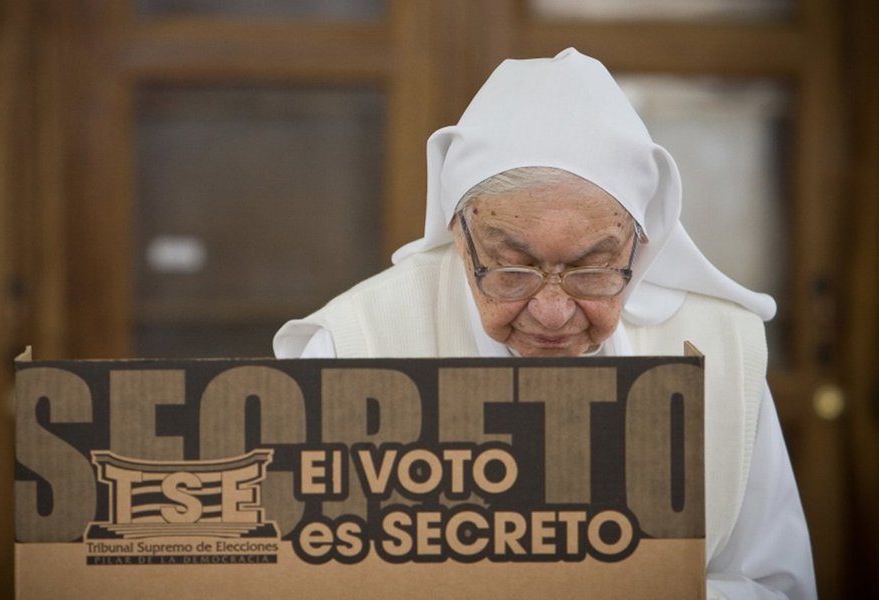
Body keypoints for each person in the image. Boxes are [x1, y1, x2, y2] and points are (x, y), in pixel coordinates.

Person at [273, 47, 816, 599]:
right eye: (513, 268)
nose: (552, 312)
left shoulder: (721, 348)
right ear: (461, 237)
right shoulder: (355, 345)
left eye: (592, 268)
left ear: (640, 244)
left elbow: (776, 583)